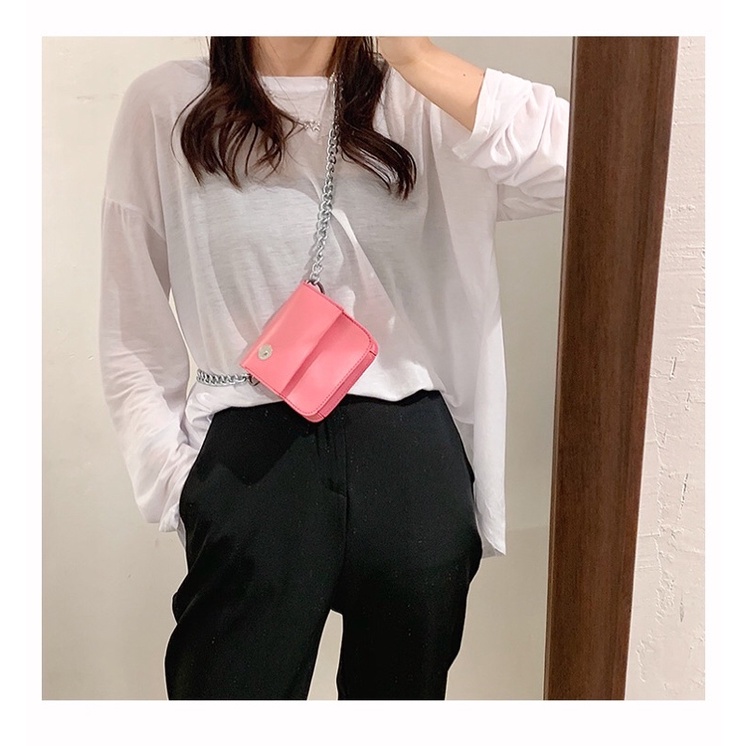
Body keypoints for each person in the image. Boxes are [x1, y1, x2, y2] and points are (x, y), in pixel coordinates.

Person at [98, 36, 569, 700]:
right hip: (251, 456)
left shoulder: (419, 101)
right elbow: (132, 322)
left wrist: (416, 58)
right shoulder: (168, 103)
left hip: (411, 455)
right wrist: (179, 485)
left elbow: (587, 160)